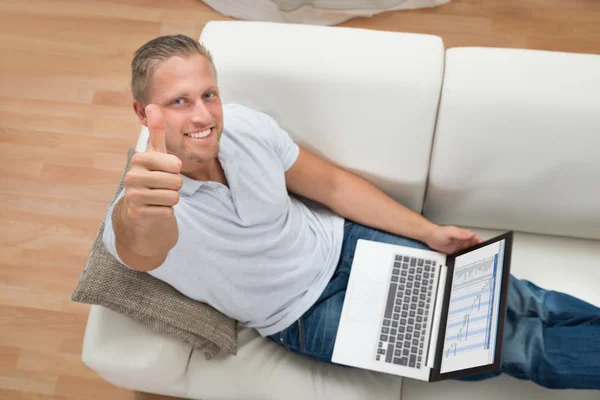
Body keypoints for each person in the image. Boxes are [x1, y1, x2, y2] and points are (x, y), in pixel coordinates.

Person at [103, 34, 600, 390]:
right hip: (306, 312)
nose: (203, 115)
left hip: (347, 245)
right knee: (513, 344)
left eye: (209, 94)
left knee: (516, 295)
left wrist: (429, 233)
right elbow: (141, 244)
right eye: (179, 101)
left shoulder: (246, 127)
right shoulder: (139, 212)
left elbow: (335, 186)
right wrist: (144, 206)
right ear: (142, 113)